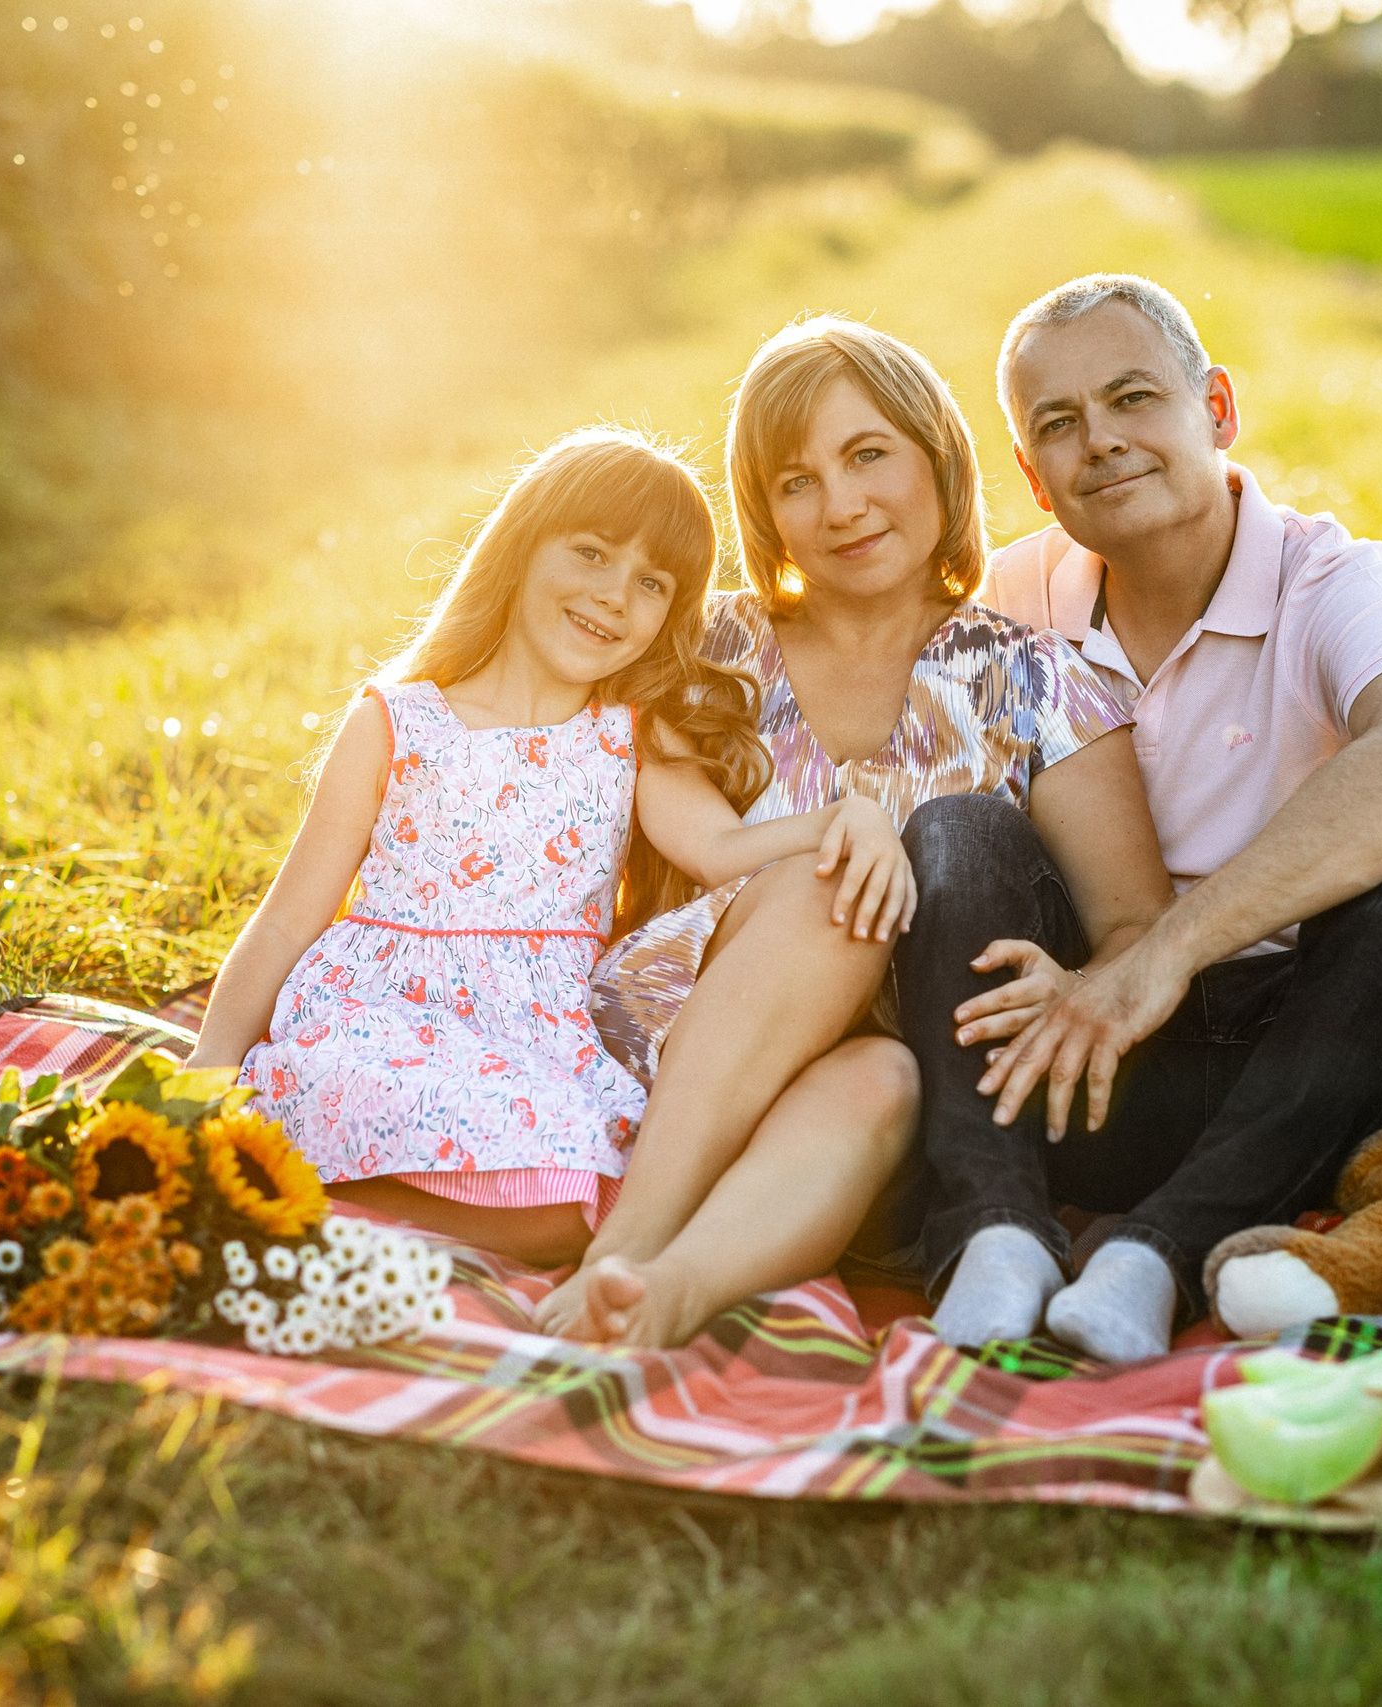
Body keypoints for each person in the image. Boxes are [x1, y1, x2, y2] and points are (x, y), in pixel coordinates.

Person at [543, 316, 1177, 1347]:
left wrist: (1069, 991)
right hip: (671, 1062)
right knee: (827, 884)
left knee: (887, 1075)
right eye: (797, 482)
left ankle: (668, 1294)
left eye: (868, 454)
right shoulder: (707, 650)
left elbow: (1136, 928)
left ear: (938, 456)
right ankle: (625, 1245)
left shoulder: (1036, 679)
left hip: (882, 1130)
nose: (841, 506)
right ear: (767, 514)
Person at [901, 273, 1382, 1362]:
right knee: (953, 835)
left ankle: (1159, 1258)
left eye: (1133, 398)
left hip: (1307, 1065)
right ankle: (995, 1226)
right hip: (1088, 1068)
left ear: (1215, 409)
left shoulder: (1335, 578)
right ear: (1033, 477)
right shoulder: (1009, 602)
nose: (1102, 441)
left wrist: (1160, 953)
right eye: (1060, 424)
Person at [185, 428, 915, 1271]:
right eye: (592, 553)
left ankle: (302, 1200)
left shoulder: (629, 735)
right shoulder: (396, 721)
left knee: (578, 1198)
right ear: (523, 545)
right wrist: (209, 1063)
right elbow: (288, 919)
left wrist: (849, 819)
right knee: (356, 1094)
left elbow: (722, 847)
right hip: (380, 1016)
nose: (614, 596)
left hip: (534, 1031)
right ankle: (269, 1179)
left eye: (651, 583)